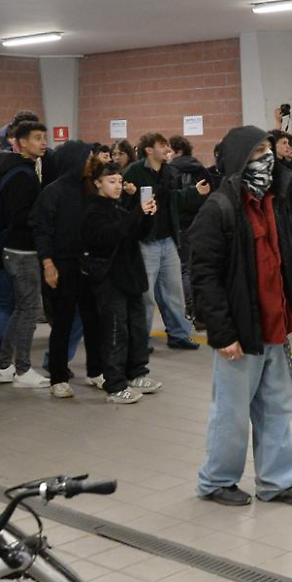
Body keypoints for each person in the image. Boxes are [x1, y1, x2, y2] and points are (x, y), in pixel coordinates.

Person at [190, 125, 292, 506]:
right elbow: (205, 278)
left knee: (277, 409)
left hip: (276, 330)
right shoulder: (218, 210)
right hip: (241, 332)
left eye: (268, 151)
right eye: (256, 153)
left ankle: (276, 482)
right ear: (237, 160)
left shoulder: (276, 205)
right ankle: (217, 481)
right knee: (231, 414)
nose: (266, 159)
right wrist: (222, 333)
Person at [81, 162, 162, 404]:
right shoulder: (92, 211)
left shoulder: (117, 207)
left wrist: (147, 216)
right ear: (97, 183)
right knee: (116, 332)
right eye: (111, 181)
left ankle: (136, 372)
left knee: (136, 327)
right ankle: (114, 384)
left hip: (130, 276)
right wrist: (137, 211)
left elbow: (136, 232)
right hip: (109, 279)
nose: (117, 186)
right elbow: (110, 236)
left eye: (119, 181)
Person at [123, 133, 210, 351]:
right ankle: (140, 340)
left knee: (174, 292)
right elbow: (124, 203)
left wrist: (195, 192)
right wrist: (132, 195)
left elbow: (173, 199)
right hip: (145, 240)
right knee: (146, 295)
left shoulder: (169, 171)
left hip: (167, 238)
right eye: (162, 144)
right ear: (149, 150)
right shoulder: (134, 172)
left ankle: (179, 334)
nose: (167, 148)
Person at [30, 142, 102, 399]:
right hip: (62, 265)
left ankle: (96, 371)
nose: (91, 163)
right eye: (88, 158)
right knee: (63, 322)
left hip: (87, 266)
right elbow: (42, 231)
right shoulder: (53, 192)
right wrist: (48, 264)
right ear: (74, 160)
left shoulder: (91, 188)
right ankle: (58, 377)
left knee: (93, 321)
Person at [0, 121, 49, 388]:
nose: (43, 142)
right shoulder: (21, 175)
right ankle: (23, 369)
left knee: (21, 308)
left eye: (44, 138)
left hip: (19, 249)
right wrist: (45, 215)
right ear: (22, 142)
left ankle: (4, 366)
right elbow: (20, 216)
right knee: (29, 309)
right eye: (37, 138)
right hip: (21, 251)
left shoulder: (22, 170)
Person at [167, 134, 209, 320]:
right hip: (201, 222)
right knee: (201, 266)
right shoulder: (201, 169)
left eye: (169, 151)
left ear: (178, 151)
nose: (167, 154)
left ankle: (191, 308)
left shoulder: (170, 171)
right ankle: (202, 308)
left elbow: (172, 199)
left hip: (182, 224)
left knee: (185, 268)